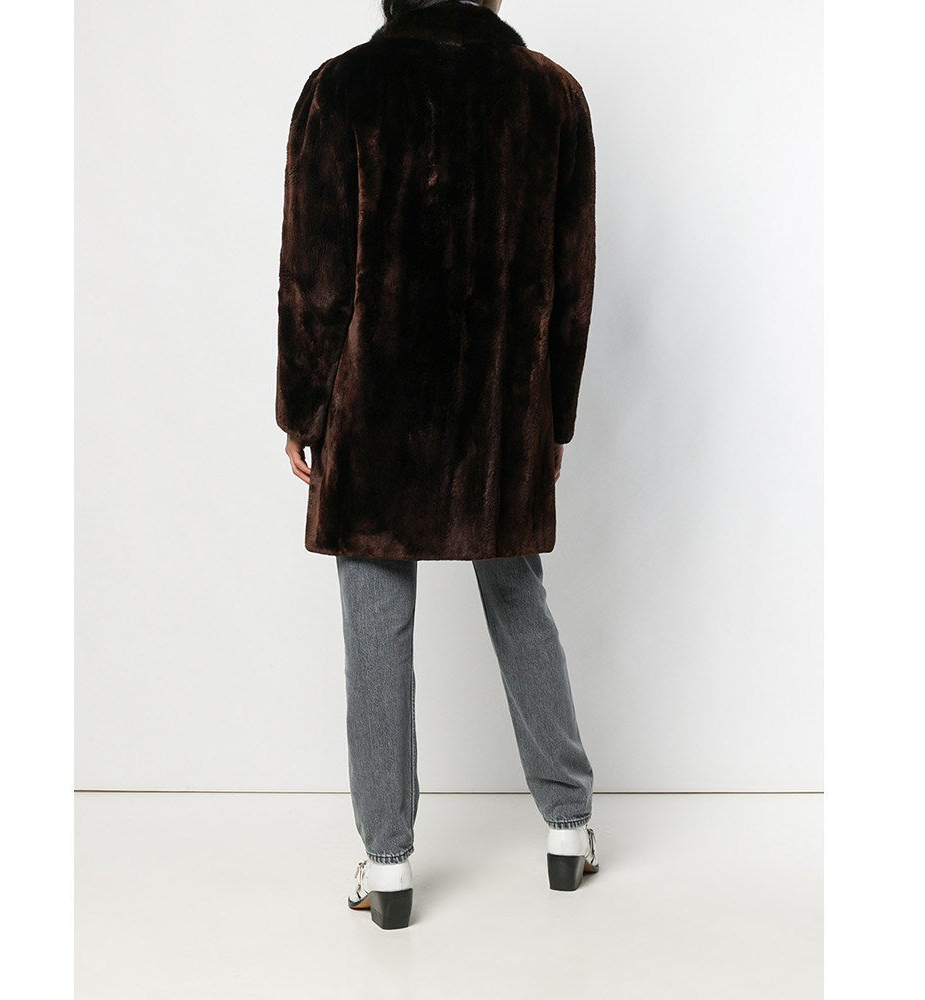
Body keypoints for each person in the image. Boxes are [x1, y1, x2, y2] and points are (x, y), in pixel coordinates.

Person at [275, 0, 598, 930]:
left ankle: (388, 864)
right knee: (519, 599)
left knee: (375, 618)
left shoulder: (342, 89)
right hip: (501, 414)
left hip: (374, 409)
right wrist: (554, 419)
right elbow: (571, 280)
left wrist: (303, 407)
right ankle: (568, 827)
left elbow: (313, 274)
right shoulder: (551, 96)